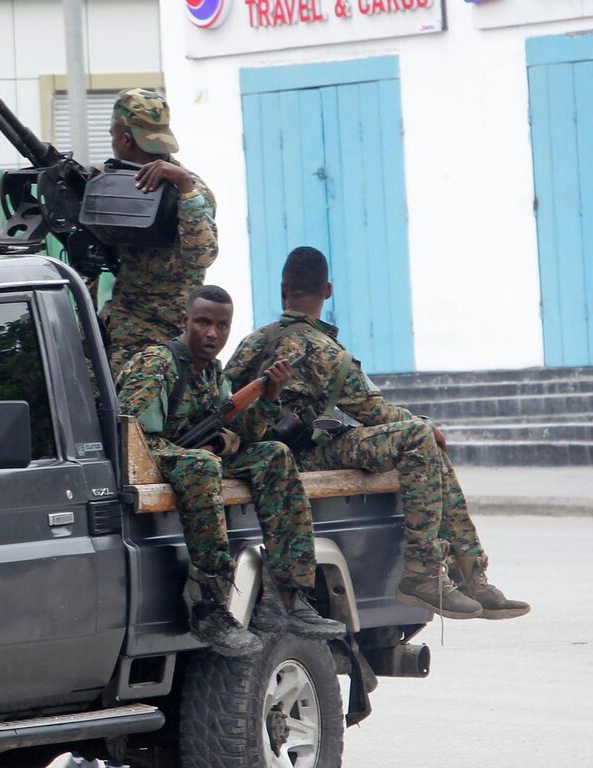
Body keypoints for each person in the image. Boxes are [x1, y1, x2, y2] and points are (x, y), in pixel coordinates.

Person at [224, 247, 529, 621]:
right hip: (299, 458)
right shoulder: (323, 350)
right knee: (419, 437)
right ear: (329, 291)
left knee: (420, 436)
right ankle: (433, 572)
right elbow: (375, 412)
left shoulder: (253, 341)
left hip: (256, 454)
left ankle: (468, 573)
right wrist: (426, 426)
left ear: (283, 288)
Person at [117, 285, 345, 657]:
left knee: (274, 454)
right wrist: (197, 451)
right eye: (203, 322)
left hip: (190, 459)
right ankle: (210, 602)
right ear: (184, 321)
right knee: (201, 464)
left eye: (222, 326)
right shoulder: (157, 363)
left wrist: (267, 399)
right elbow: (132, 436)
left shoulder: (214, 375)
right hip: (157, 459)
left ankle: (289, 596)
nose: (213, 334)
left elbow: (241, 434)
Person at [98, 89, 219, 371]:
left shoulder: (190, 189)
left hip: (165, 347)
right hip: (119, 334)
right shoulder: (118, 184)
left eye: (112, 134)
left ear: (125, 138)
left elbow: (202, 255)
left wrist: (185, 189)